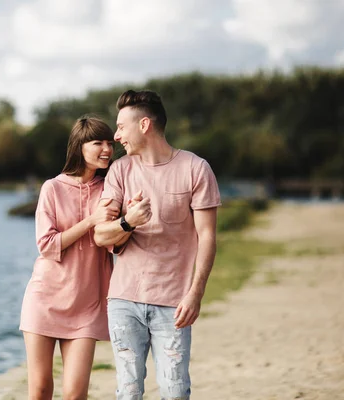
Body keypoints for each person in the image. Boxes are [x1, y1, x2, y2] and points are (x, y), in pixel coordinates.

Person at [94, 90, 221, 399]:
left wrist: (196, 293)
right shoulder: (120, 171)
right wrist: (129, 221)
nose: (116, 134)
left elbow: (207, 236)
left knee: (176, 391)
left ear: (145, 125)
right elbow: (101, 235)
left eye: (122, 126)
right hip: (124, 301)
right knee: (128, 391)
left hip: (174, 303)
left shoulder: (195, 168)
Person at [19, 116, 120, 400]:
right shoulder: (52, 188)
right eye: (97, 142)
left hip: (87, 304)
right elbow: (47, 245)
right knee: (39, 390)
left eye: (110, 143)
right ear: (79, 146)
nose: (106, 149)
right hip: (45, 299)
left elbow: (113, 243)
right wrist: (91, 220)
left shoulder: (109, 188)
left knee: (75, 395)